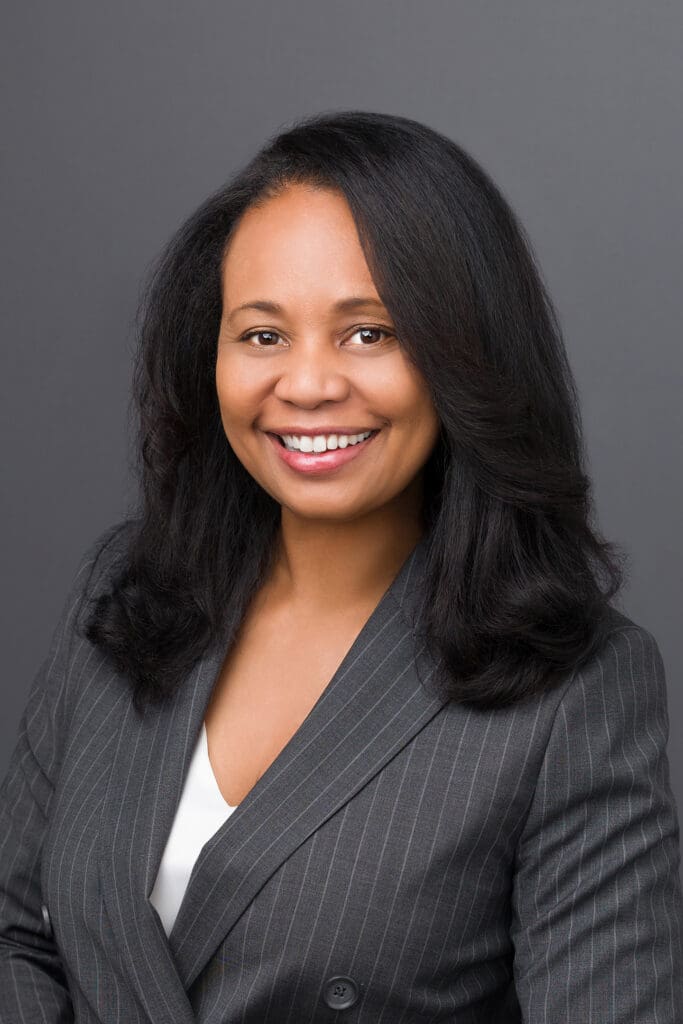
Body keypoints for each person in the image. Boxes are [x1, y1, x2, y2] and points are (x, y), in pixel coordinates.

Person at [1, 110, 681, 1023]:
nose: (310, 384)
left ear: (462, 357)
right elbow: (18, 934)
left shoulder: (574, 689)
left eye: (370, 333)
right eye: (262, 335)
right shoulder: (129, 594)